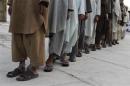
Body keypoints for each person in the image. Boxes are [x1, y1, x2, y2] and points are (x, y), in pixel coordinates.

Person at [7, 0, 49, 81]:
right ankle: (21, 66)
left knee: (34, 37)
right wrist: (11, 3)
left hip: (35, 5)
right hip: (17, 6)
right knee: (18, 36)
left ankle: (33, 69)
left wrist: (44, 2)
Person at [44, 0, 74, 72]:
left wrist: (69, 8)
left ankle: (52, 57)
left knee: (58, 31)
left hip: (60, 5)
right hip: (45, 4)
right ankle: (35, 59)